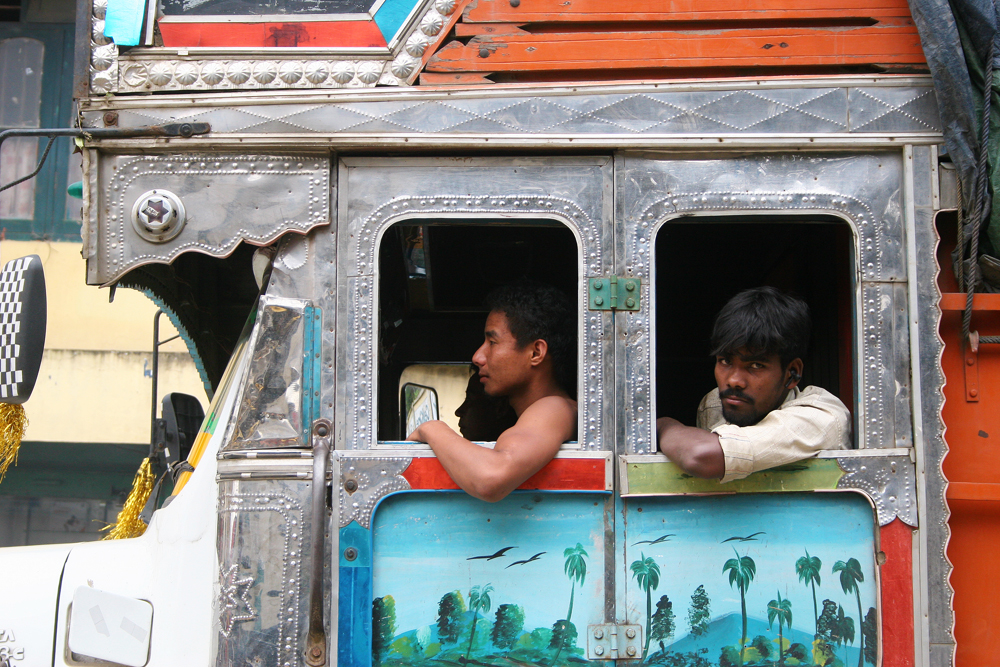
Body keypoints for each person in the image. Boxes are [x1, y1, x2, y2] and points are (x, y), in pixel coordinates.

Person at [656, 287, 850, 483]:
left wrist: (663, 424)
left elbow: (699, 456)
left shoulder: (821, 417)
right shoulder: (714, 403)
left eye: (756, 365)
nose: (734, 380)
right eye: (725, 361)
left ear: (793, 373)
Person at [408, 283, 577, 502]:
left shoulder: (555, 407)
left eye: (493, 342)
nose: (478, 357)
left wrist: (431, 428)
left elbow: (490, 478)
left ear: (536, 352)